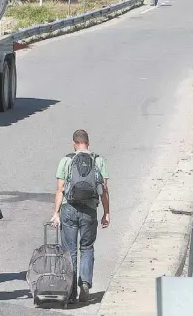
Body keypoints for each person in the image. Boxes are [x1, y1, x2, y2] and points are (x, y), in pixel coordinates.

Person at [50, 130, 110, 303]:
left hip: (69, 209)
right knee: (87, 248)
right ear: (88, 143)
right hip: (89, 210)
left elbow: (60, 189)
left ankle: (70, 292)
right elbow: (104, 191)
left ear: (74, 143)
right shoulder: (98, 160)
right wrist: (106, 212)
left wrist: (55, 213)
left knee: (69, 251)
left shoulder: (66, 160)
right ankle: (85, 283)